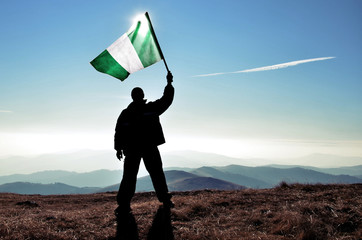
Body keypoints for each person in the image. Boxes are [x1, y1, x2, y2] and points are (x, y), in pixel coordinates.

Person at [114, 72, 175, 215]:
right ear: (138, 96)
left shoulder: (130, 112)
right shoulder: (142, 110)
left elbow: (166, 100)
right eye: (137, 94)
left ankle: (125, 204)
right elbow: (119, 132)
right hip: (143, 148)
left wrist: (169, 84)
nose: (138, 96)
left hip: (139, 148)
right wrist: (118, 148)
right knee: (148, 175)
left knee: (143, 175)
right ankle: (164, 199)